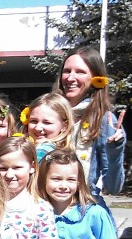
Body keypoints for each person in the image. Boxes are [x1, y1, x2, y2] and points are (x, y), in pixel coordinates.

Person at [54, 47, 126, 203]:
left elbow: (113, 187)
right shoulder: (48, 115)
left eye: (80, 72)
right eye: (67, 71)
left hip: (83, 209)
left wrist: (115, 151)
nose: (70, 78)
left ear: (96, 78)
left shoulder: (104, 121)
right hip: (45, 211)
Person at [23, 93, 75, 162]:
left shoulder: (42, 150)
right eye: (34, 121)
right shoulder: (64, 153)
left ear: (65, 126)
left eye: (47, 123)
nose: (38, 128)